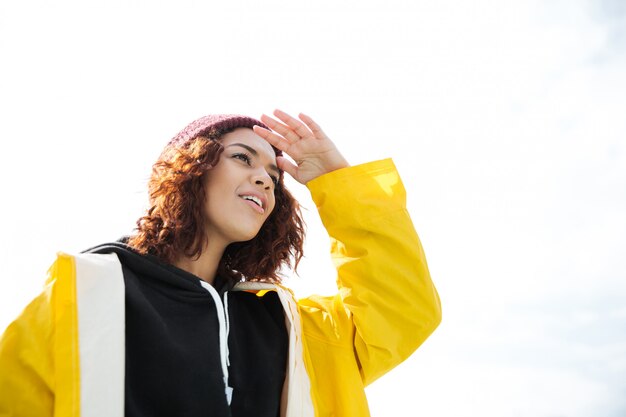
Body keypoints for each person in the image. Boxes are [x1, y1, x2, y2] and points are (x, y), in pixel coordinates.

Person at [0, 110, 441, 417]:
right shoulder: (88, 293)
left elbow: (401, 309)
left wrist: (337, 182)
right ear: (189, 170)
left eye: (273, 175)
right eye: (242, 157)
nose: (264, 179)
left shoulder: (288, 328)